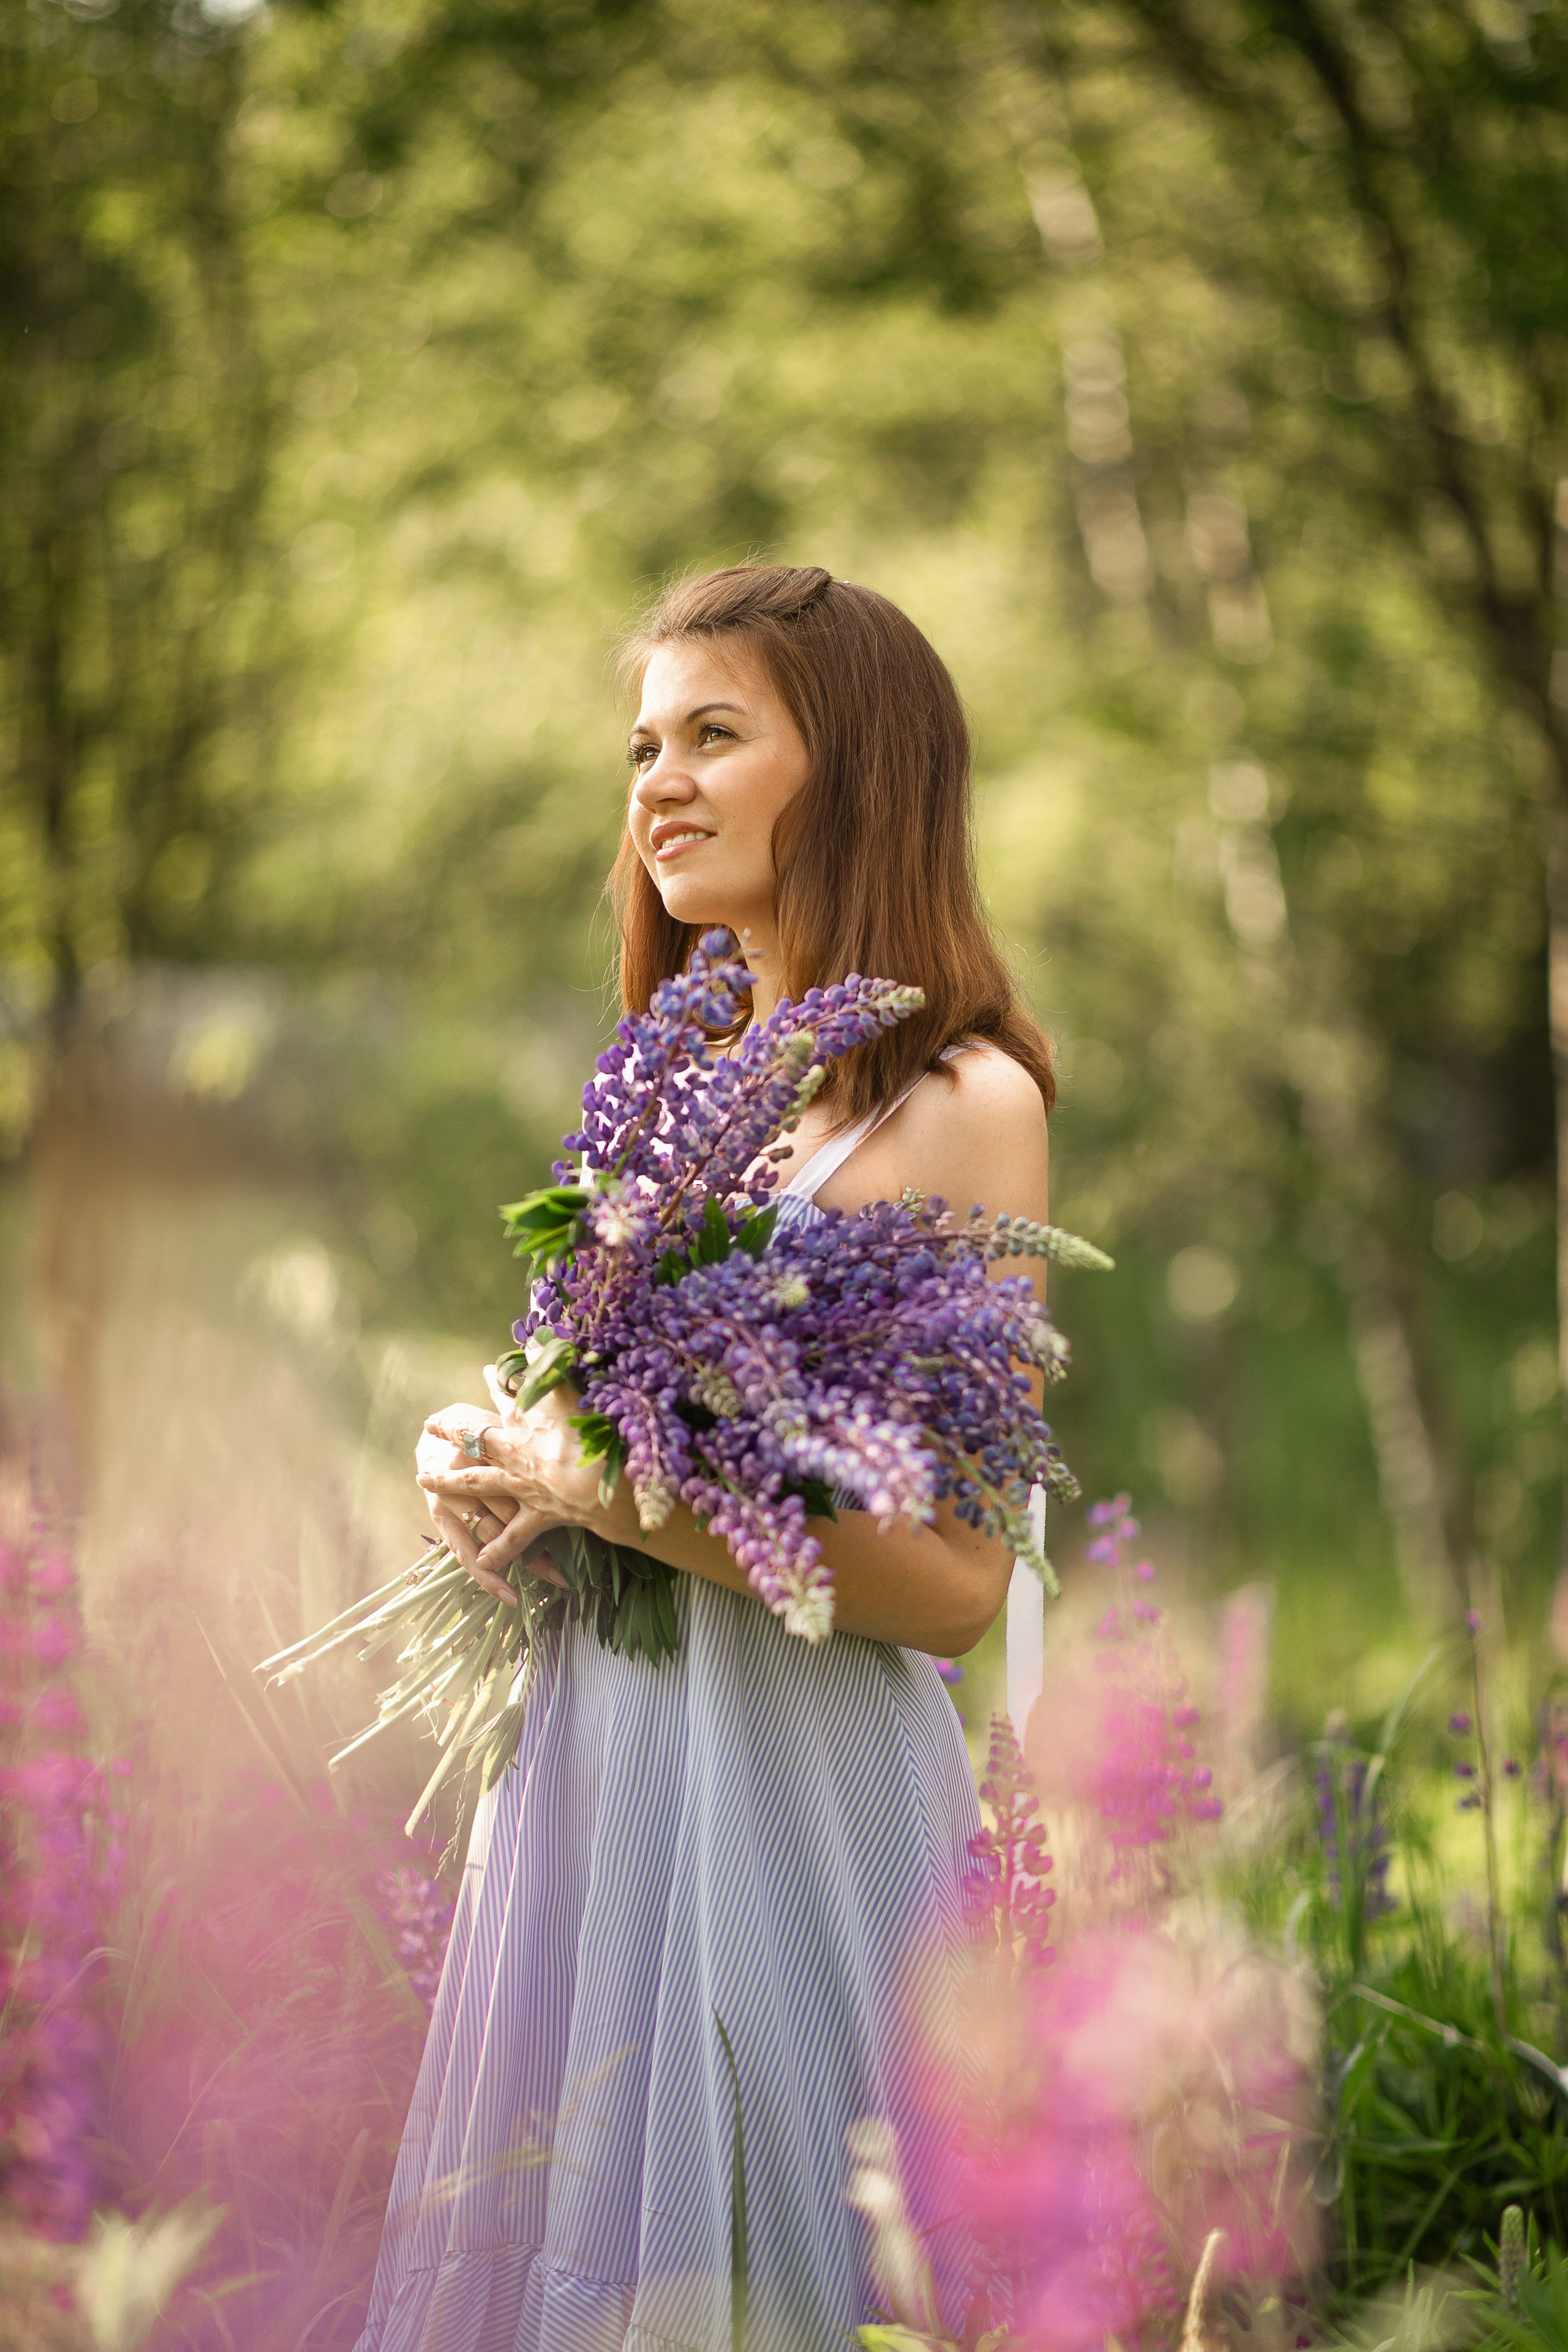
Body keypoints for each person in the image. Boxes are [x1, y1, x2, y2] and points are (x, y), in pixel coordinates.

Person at [352, 564, 1054, 2352]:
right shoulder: (678, 1100)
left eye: (714, 735)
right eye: (643, 743)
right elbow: (600, 1440)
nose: (655, 782)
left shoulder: (956, 1105)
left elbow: (956, 1584)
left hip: (796, 1804)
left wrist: (603, 1484)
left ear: (863, 767)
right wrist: (492, 1465)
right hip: (608, 1782)